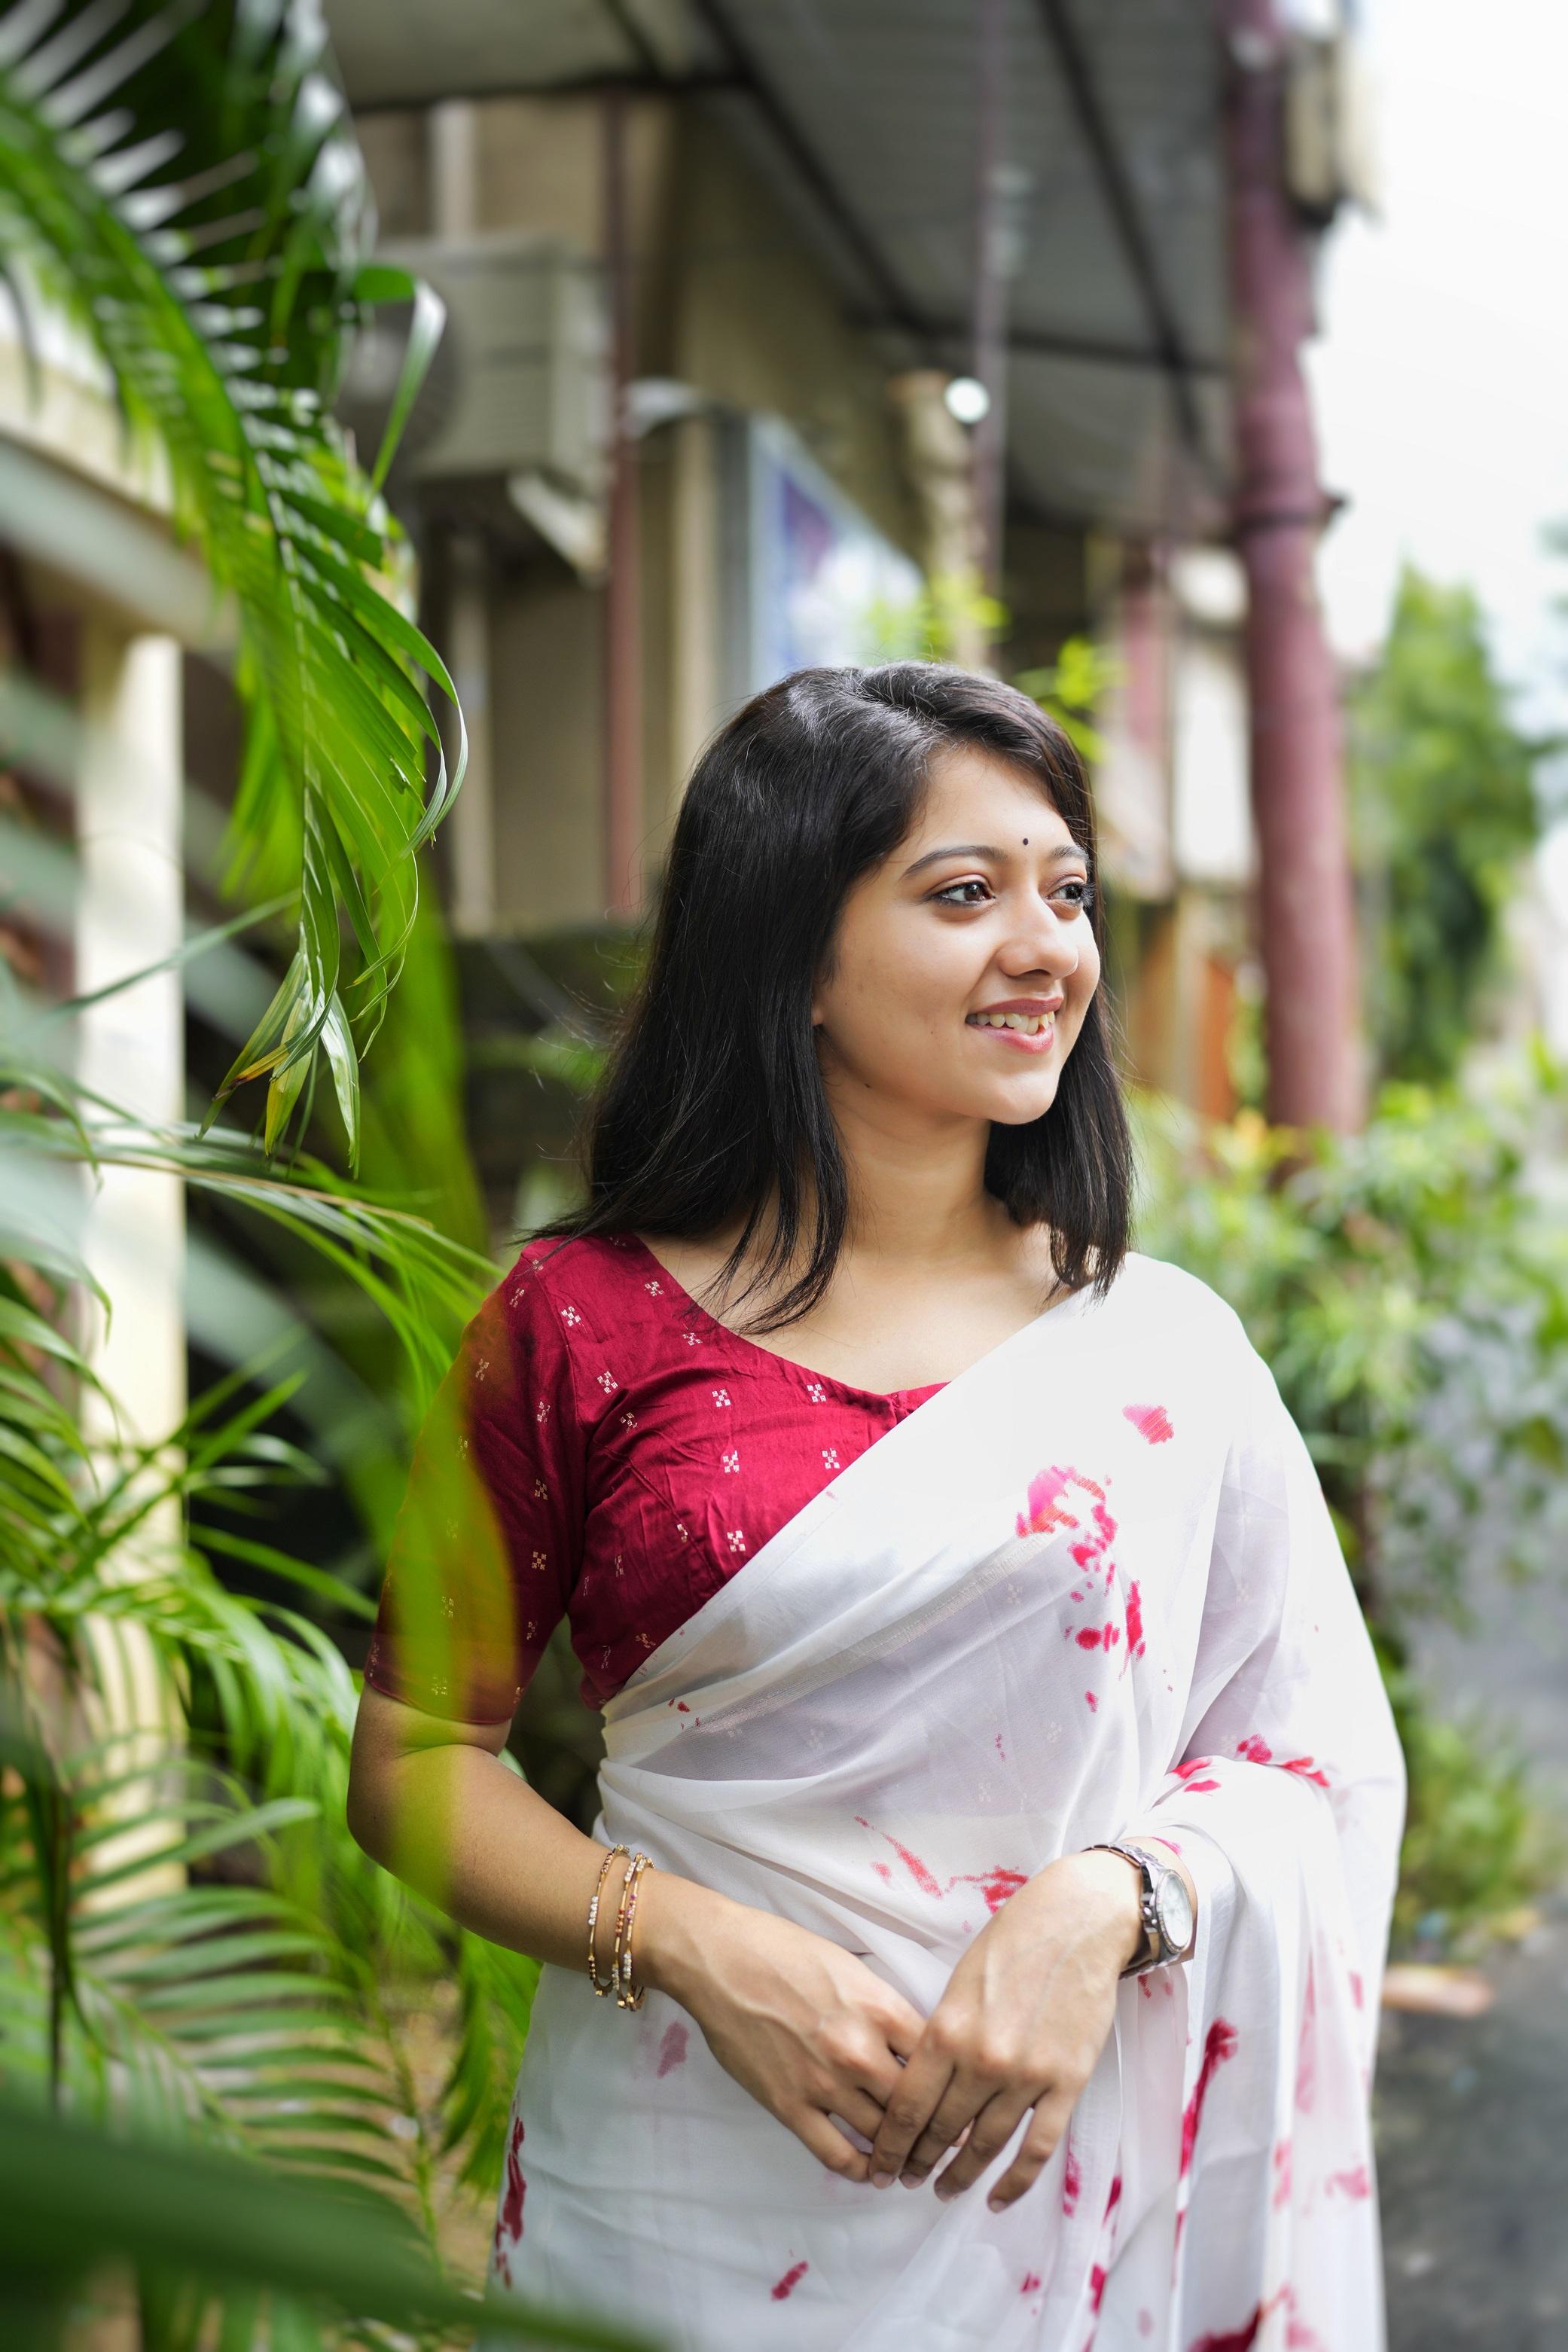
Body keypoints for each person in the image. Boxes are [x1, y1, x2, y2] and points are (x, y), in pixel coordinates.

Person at [348, 663, 1405, 2352]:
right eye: (963, 892)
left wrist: (1107, 1897)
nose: (1047, 944)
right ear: (795, 954)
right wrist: (693, 1943)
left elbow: (1316, 1756)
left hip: (1066, 2196)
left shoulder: (1163, 1353)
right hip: (681, 2178)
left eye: (1065, 890)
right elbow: (409, 1766)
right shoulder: (577, 1325)